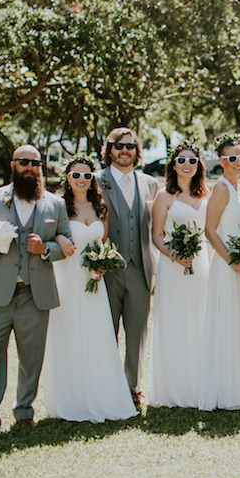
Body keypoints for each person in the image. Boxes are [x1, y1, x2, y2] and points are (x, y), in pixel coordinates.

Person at [0, 144, 71, 430]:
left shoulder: (55, 204)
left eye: (35, 163)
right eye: (24, 162)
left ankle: (24, 413)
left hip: (35, 294)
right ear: (13, 165)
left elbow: (66, 240)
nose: (30, 167)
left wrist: (45, 248)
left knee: (31, 358)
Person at [42, 154, 137, 422]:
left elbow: (102, 240)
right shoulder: (58, 206)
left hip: (92, 278)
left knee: (97, 334)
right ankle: (70, 399)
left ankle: (100, 395)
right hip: (67, 276)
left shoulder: (100, 207)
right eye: (76, 175)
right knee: (68, 332)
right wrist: (61, 236)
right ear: (68, 178)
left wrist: (102, 263)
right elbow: (49, 235)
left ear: (92, 179)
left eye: (87, 175)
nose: (81, 180)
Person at [97, 127, 158, 406]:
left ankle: (132, 386)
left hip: (140, 268)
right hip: (105, 270)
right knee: (105, 331)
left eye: (130, 147)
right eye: (119, 146)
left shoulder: (149, 183)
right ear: (109, 150)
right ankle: (105, 385)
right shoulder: (96, 180)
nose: (125, 151)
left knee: (137, 332)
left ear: (137, 151)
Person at [199, 132, 240, 411]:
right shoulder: (222, 188)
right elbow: (210, 230)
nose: (238, 162)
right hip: (227, 268)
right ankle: (225, 391)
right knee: (228, 324)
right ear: (222, 161)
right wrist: (231, 261)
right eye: (232, 158)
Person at [148, 142, 209, 408]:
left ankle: (199, 383)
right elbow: (157, 236)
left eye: (192, 161)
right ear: (173, 165)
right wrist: (174, 254)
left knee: (199, 322)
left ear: (198, 166)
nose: (187, 165)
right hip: (173, 268)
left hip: (201, 267)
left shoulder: (205, 195)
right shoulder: (165, 196)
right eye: (182, 161)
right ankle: (173, 387)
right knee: (175, 322)